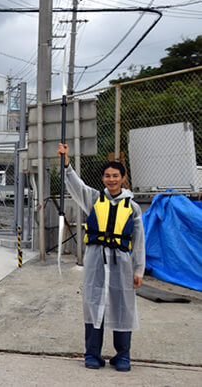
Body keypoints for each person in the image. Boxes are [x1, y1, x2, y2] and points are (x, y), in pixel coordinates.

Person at [57, 143, 145, 372]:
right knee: (93, 303)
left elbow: (139, 241)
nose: (112, 180)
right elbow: (77, 186)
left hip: (122, 262)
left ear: (123, 178)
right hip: (96, 259)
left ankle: (123, 356)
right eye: (107, 176)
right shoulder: (95, 199)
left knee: (123, 305)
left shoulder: (133, 207)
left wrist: (138, 270)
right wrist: (66, 162)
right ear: (103, 179)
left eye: (116, 176)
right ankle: (92, 354)